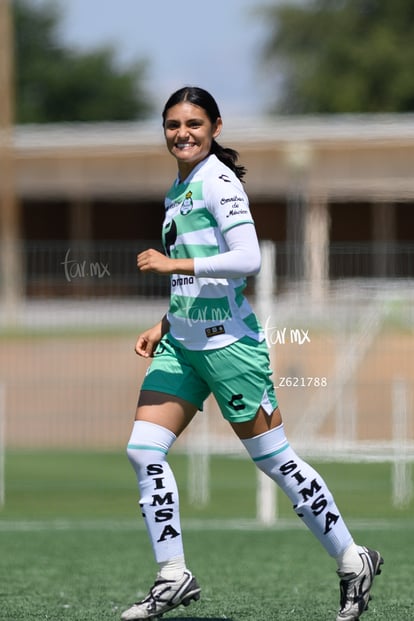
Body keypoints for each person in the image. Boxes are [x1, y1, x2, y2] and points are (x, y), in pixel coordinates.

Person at [121, 86, 383, 621]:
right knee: (143, 449)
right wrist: (165, 321)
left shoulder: (217, 181)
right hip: (182, 346)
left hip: (229, 348)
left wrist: (174, 268)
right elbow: (201, 270)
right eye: (172, 124)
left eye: (194, 123)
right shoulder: (178, 188)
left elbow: (248, 260)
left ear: (216, 127)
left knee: (276, 462)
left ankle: (354, 560)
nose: (182, 133)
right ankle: (174, 575)